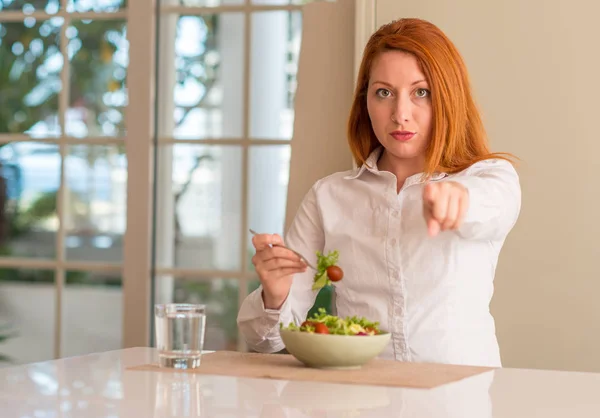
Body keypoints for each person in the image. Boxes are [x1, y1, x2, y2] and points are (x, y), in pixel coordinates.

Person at [237, 17, 521, 367]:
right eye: (384, 93)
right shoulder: (329, 196)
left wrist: (459, 199)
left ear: (447, 98)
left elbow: (491, 208)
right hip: (362, 398)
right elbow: (265, 341)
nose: (400, 114)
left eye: (422, 92)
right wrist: (275, 295)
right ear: (365, 102)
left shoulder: (490, 179)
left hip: (462, 397)